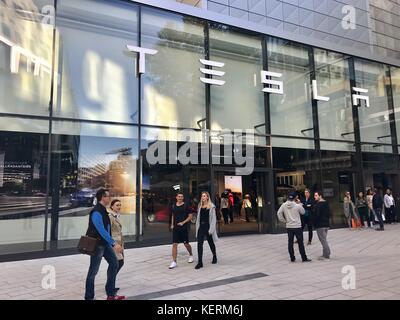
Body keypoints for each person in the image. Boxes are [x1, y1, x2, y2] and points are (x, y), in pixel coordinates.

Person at [84, 188, 125, 300]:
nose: (109, 198)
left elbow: (107, 229)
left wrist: (110, 242)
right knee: (93, 271)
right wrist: (113, 243)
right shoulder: (96, 211)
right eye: (108, 196)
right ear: (102, 197)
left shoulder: (104, 210)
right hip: (97, 245)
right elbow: (101, 230)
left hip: (105, 244)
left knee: (114, 264)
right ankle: (89, 297)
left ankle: (110, 294)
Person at [277, 192, 311, 263]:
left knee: (290, 242)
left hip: (289, 226)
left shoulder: (283, 205)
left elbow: (279, 213)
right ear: (295, 198)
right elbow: (303, 212)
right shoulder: (297, 206)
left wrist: (284, 220)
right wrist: (299, 204)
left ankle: (292, 258)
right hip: (297, 226)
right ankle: (303, 258)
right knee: (300, 243)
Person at [169, 192, 194, 269]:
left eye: (181, 196)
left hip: (184, 228)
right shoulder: (173, 205)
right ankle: (174, 261)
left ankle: (190, 255)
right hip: (176, 228)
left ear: (183, 198)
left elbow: (190, 217)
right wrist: (172, 224)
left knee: (186, 244)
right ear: (176, 197)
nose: (180, 197)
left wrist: (183, 222)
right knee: (174, 244)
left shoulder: (186, 206)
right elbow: (173, 215)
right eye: (179, 196)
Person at [195, 191, 218, 269]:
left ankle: (214, 256)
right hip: (201, 227)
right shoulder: (200, 206)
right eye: (202, 196)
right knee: (199, 244)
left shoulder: (211, 206)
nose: (202, 197)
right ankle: (200, 262)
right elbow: (198, 218)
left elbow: (214, 219)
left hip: (208, 227)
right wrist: (197, 227)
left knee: (210, 243)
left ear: (208, 197)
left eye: (204, 196)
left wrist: (211, 230)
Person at [108, 199, 124, 294]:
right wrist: (112, 243)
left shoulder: (117, 216)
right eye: (117, 205)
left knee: (118, 264)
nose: (119, 207)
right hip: (115, 244)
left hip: (120, 243)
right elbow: (108, 231)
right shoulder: (110, 217)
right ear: (112, 206)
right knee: (118, 263)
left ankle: (110, 284)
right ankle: (110, 284)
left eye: (120, 205)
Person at [313, 191, 331, 261]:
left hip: (320, 225)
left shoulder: (318, 205)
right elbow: (329, 214)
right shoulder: (326, 203)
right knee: (324, 239)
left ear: (320, 196)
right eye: (314, 195)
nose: (315, 197)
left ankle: (327, 254)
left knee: (323, 240)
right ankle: (324, 254)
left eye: (316, 195)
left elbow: (316, 215)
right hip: (326, 224)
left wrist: (314, 222)